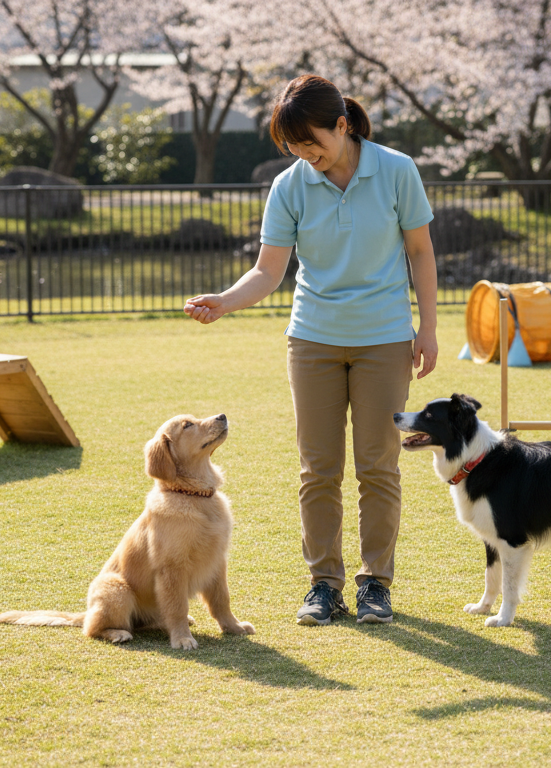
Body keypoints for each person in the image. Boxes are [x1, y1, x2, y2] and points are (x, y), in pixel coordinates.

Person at [184, 74, 437, 626]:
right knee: (318, 470)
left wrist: (429, 328)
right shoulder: (290, 186)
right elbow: (268, 270)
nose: (304, 156)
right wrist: (225, 301)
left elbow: (420, 252)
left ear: (342, 125)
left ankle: (376, 584)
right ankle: (324, 585)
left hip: (384, 338)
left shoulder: (396, 170)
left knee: (378, 466)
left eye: (311, 143)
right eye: (293, 148)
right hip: (313, 340)